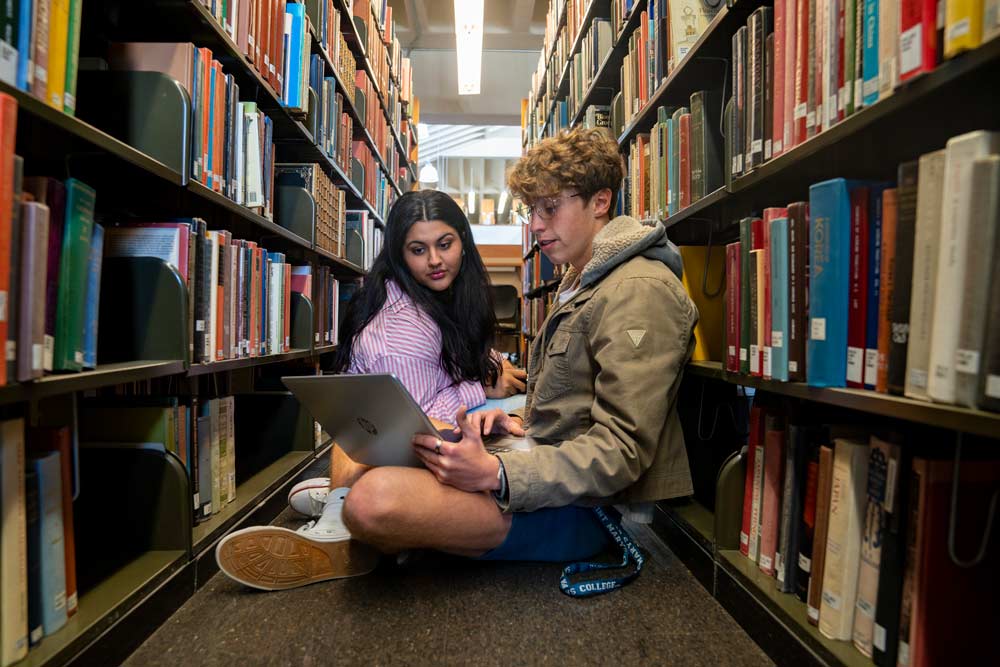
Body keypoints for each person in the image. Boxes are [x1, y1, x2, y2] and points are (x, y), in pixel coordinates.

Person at [215, 128, 698, 591]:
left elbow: (623, 452)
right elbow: (574, 406)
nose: (534, 225)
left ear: (600, 202)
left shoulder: (636, 291)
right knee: (363, 429)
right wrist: (514, 423)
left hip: (587, 510)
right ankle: (359, 522)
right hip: (541, 473)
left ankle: (354, 528)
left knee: (374, 499)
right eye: (532, 210)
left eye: (550, 208)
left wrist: (496, 474)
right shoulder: (583, 279)